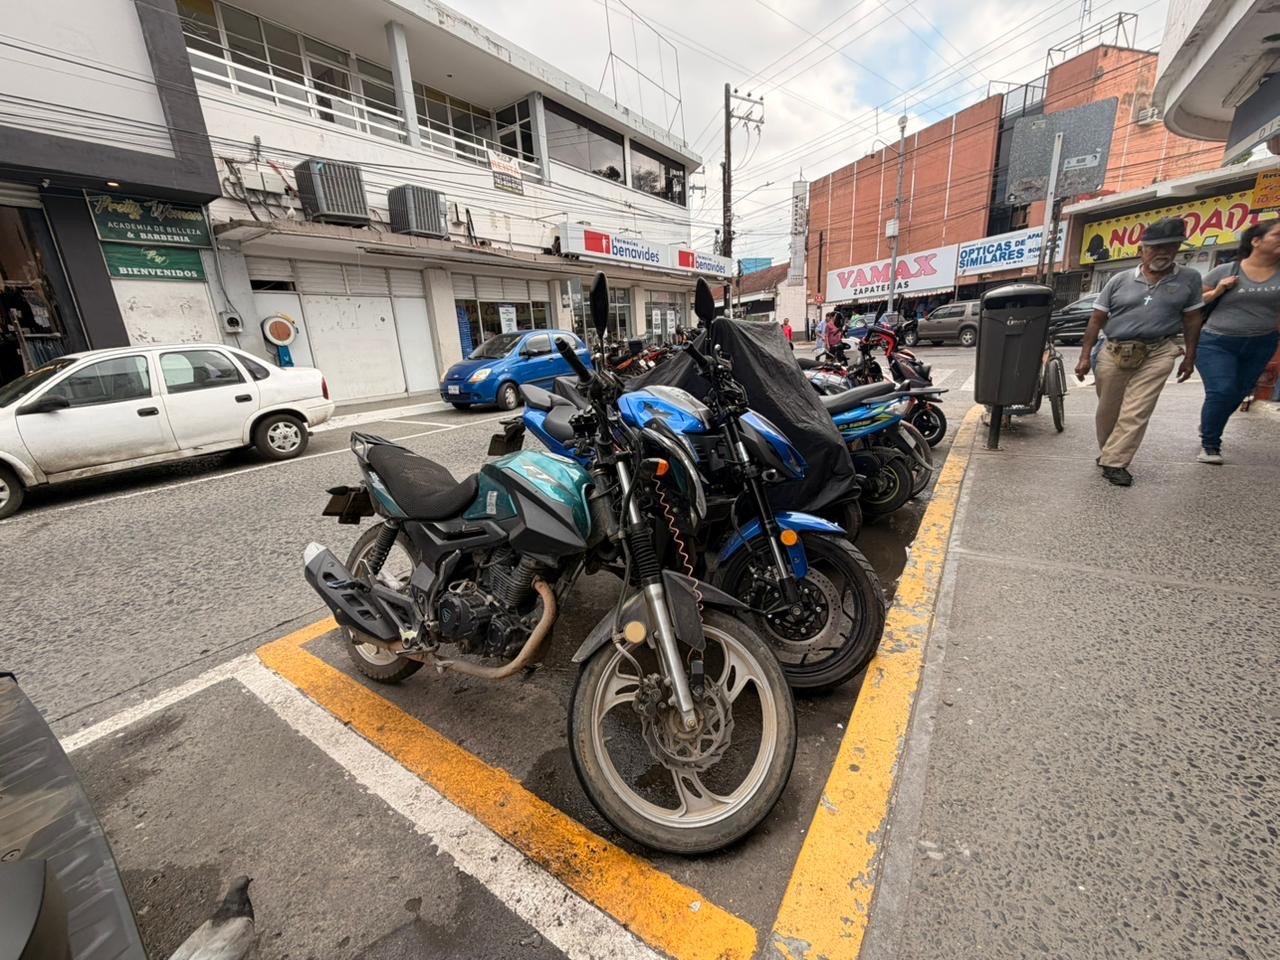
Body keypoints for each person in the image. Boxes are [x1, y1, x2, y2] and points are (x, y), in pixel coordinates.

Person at [1075, 218, 1204, 487]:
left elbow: (1192, 320)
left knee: (1137, 410)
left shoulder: (1189, 279)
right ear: (1141, 250)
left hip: (1158, 351)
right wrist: (1085, 356)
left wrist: (1191, 357)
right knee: (1108, 410)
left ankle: (1115, 462)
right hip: (1114, 350)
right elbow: (1097, 319)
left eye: (1170, 246)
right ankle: (1109, 451)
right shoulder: (1119, 280)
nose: (1163, 253)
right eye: (1155, 247)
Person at [1195, 220, 1280, 464]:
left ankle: (1210, 422)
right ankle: (1210, 444)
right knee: (1222, 390)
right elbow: (1193, 302)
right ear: (1256, 241)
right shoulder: (1226, 271)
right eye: (1277, 235)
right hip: (1216, 341)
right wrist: (1218, 291)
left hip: (1261, 342)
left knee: (1239, 393)